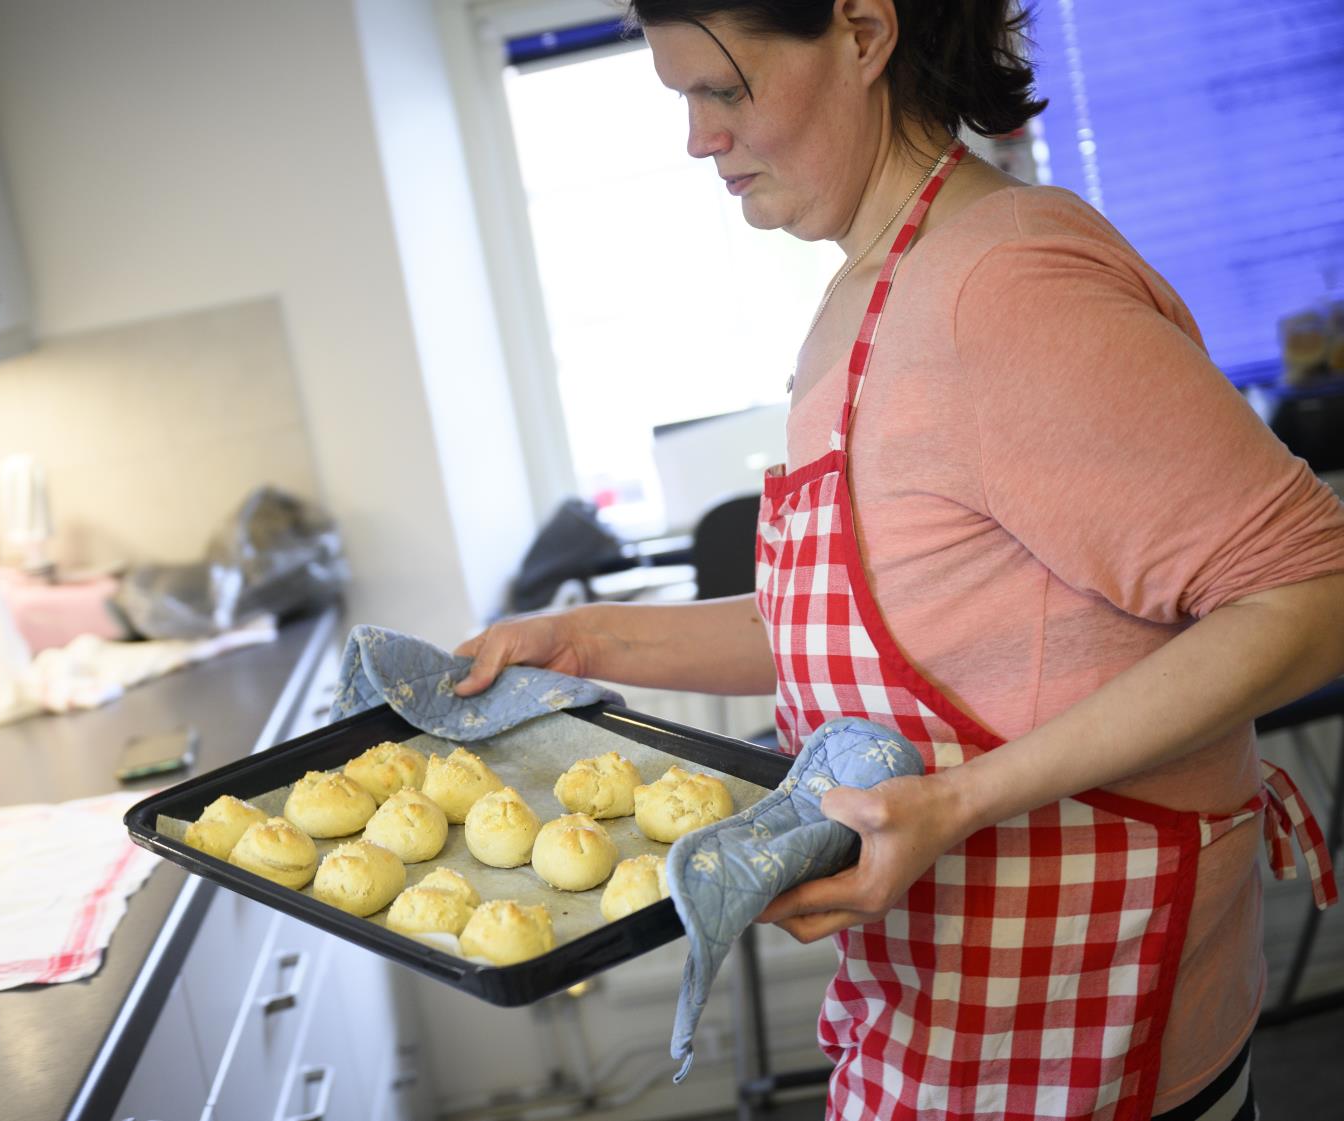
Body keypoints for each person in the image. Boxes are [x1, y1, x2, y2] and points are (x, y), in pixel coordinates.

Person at [453, 1, 1344, 1118]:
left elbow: (1314, 590)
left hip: (1082, 1026)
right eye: (684, 99)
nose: (696, 138)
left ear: (865, 34)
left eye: (722, 92)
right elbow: (865, 616)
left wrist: (960, 799)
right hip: (945, 1004)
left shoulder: (1004, 291)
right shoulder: (869, 289)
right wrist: (577, 641)